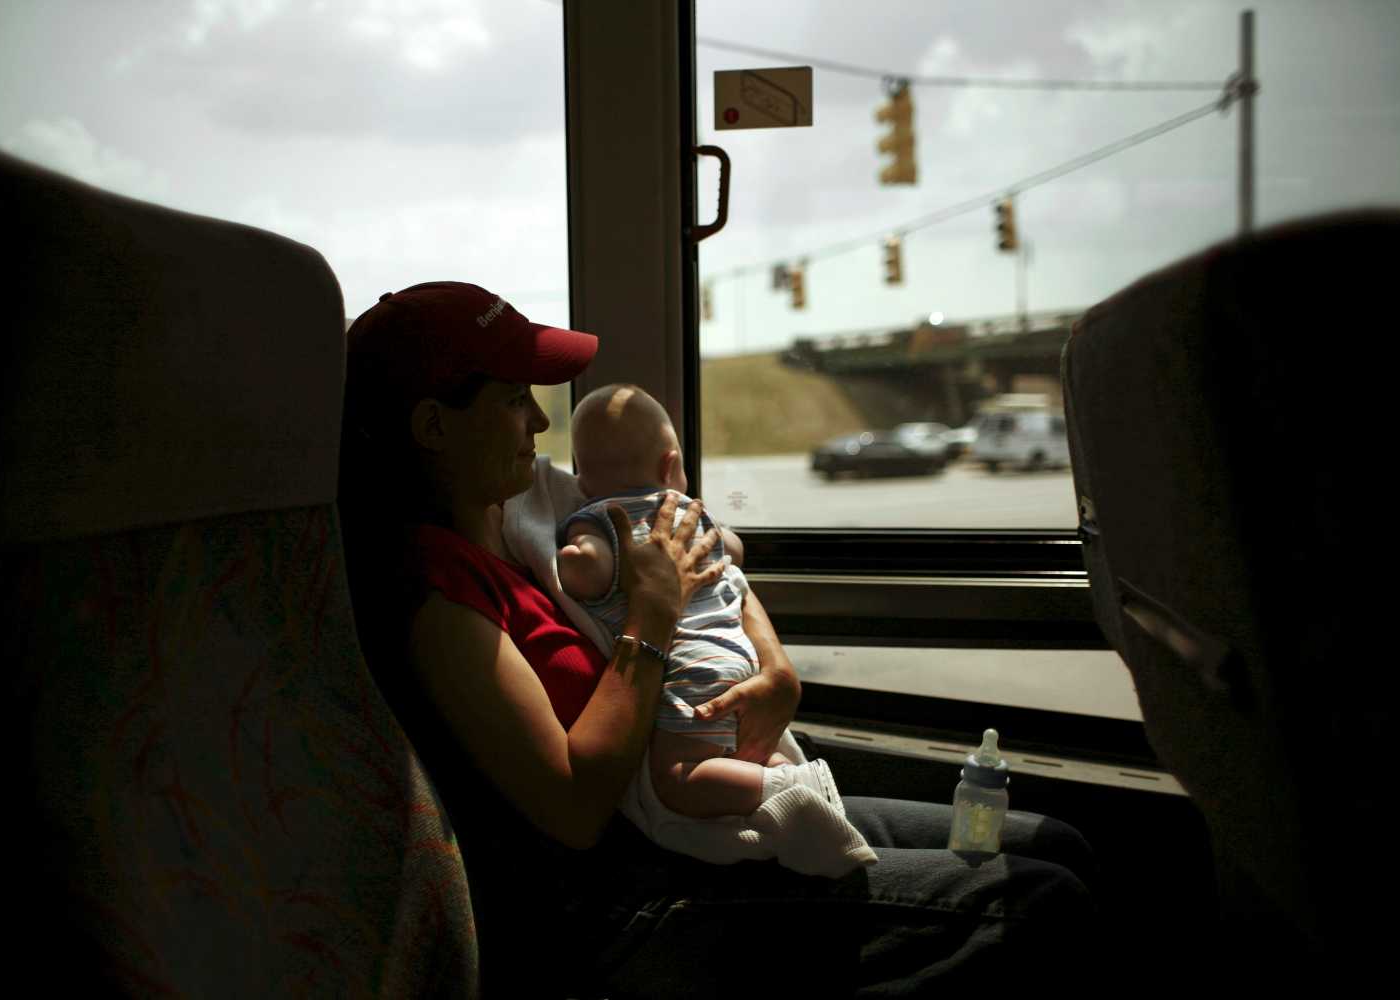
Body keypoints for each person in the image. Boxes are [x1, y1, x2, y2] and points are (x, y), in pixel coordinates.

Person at [338, 280, 1098, 998]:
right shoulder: (436, 591)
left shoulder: (530, 500)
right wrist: (651, 622)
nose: (541, 422)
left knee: (1052, 841)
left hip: (700, 822)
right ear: (434, 427)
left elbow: (689, 547)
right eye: (513, 400)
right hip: (634, 904)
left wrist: (775, 667)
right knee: (1039, 904)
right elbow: (570, 806)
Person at [558, 382, 877, 875]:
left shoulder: (600, 518)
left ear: (581, 479)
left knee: (680, 777)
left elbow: (587, 570)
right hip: (734, 654)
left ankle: (786, 791)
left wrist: (576, 556)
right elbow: (734, 552)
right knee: (727, 756)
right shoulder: (690, 513)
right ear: (670, 467)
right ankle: (786, 780)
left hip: (686, 665)